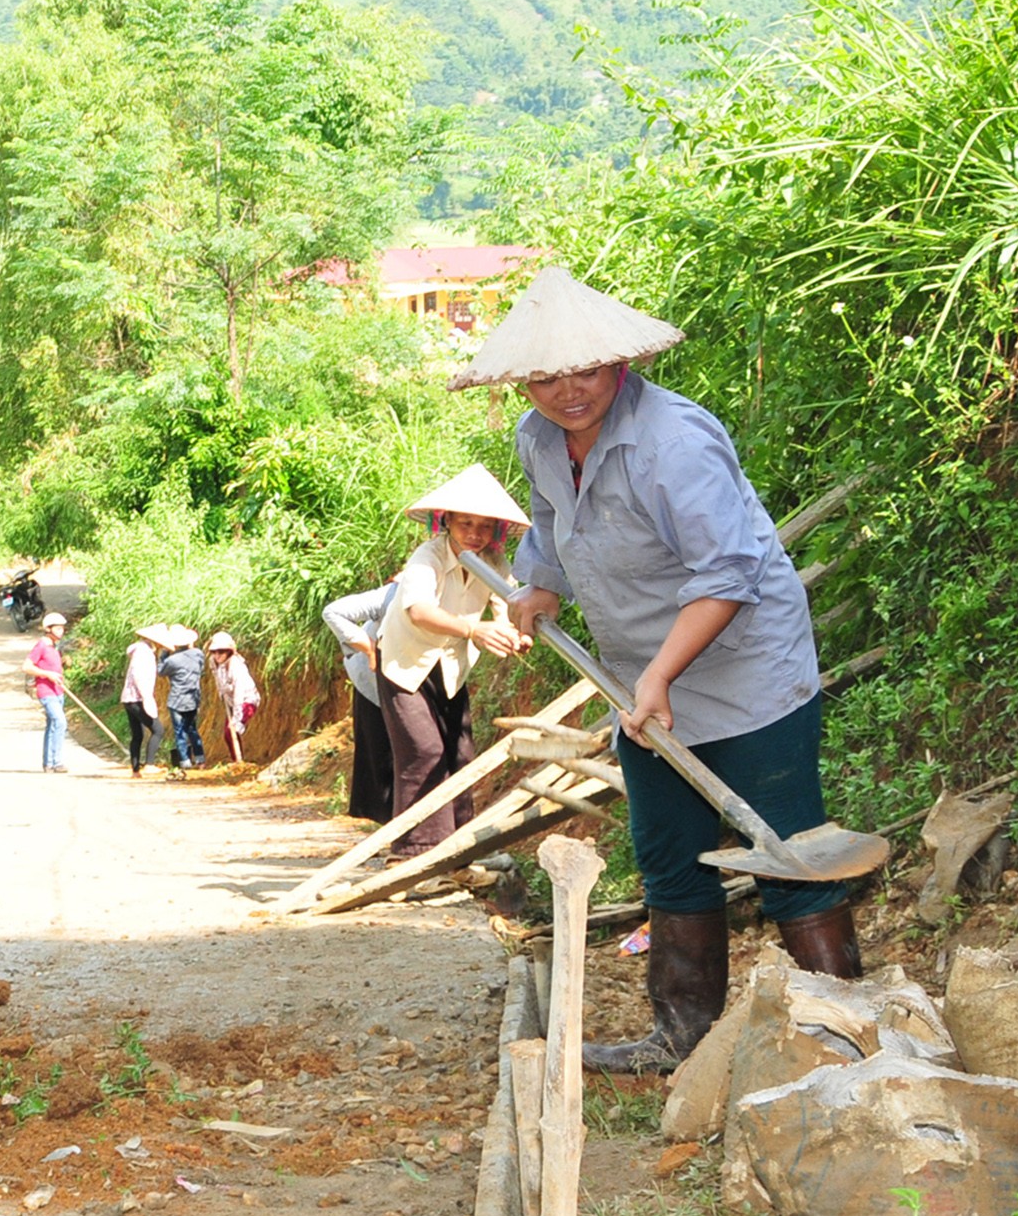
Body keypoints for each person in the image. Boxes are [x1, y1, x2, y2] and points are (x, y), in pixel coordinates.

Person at [452, 266, 851, 1075]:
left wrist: (662, 674)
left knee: (787, 850)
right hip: (641, 682)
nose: (569, 390)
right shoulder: (537, 438)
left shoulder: (674, 440)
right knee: (672, 851)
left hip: (747, 675)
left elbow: (727, 575)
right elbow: (553, 525)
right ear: (522, 379)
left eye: (588, 370)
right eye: (547, 375)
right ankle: (682, 1039)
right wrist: (539, 586)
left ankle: (846, 1034)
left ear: (622, 363)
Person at [374, 466, 531, 856]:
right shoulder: (427, 556)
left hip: (449, 667)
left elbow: (506, 605)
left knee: (461, 754)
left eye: (483, 526)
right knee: (423, 752)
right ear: (447, 522)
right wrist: (473, 630)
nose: (474, 534)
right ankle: (417, 851)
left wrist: (517, 632)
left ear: (495, 530)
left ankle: (461, 847)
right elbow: (419, 611)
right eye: (465, 524)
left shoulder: (494, 560)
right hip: (404, 662)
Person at [322, 581, 398, 822]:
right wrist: (370, 649)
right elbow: (333, 612)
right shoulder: (393, 593)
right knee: (380, 748)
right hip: (371, 677)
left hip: (409, 676)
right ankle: (384, 821)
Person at [207, 631, 260, 765]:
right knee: (228, 734)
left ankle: (239, 761)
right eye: (214, 652)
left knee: (232, 729)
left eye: (221, 652)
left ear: (229, 652)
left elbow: (239, 693)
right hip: (230, 701)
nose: (217, 655)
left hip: (246, 700)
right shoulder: (214, 662)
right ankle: (237, 760)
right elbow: (218, 680)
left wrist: (237, 718)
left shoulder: (236, 666)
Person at [158, 629, 207, 772]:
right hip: (193, 698)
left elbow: (160, 671)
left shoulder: (172, 660)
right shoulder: (198, 654)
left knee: (180, 732)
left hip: (177, 700)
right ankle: (200, 760)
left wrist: (164, 653)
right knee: (192, 729)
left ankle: (185, 762)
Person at [119, 630, 164, 776]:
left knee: (137, 734)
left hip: (129, 698)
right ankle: (149, 764)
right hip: (137, 698)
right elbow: (139, 676)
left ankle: (136, 770)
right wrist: (146, 698)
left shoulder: (139, 650)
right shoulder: (144, 653)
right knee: (158, 730)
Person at [29, 611, 69, 773]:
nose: (61, 632)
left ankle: (49, 763)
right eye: (58, 629)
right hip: (46, 692)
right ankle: (57, 762)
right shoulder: (41, 646)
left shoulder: (54, 647)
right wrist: (48, 675)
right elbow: (27, 666)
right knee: (60, 722)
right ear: (48, 629)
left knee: (53, 726)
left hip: (58, 691)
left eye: (62, 629)